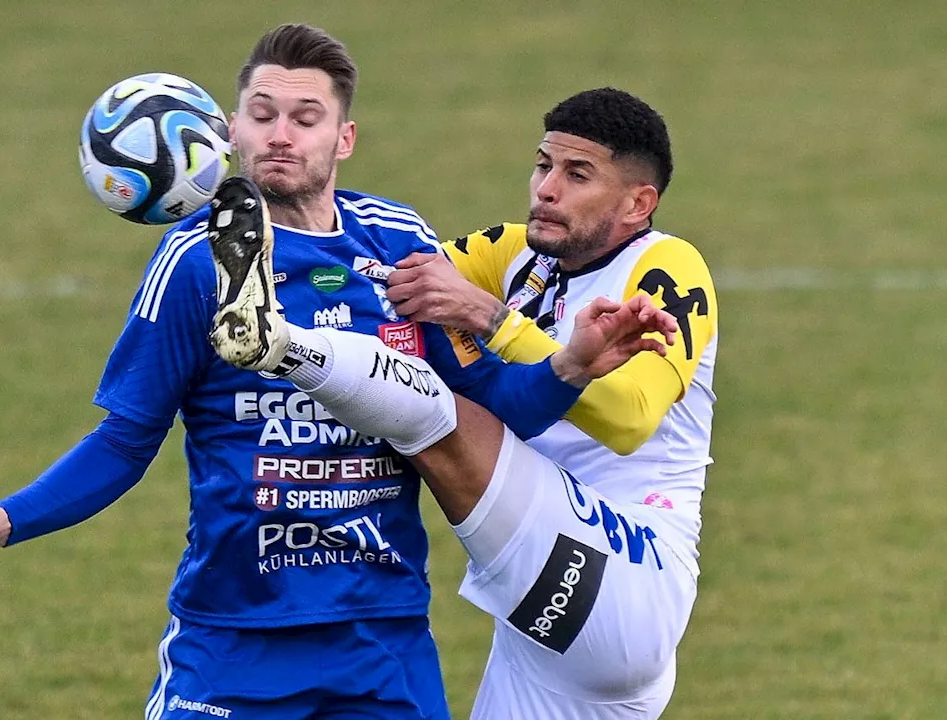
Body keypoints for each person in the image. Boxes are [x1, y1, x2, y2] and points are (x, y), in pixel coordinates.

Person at [0, 26, 659, 720]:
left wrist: (568, 366)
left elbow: (490, 411)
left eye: (305, 118)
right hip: (234, 638)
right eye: (261, 114)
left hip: (380, 640)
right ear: (230, 132)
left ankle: (276, 342)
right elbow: (126, 440)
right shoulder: (192, 262)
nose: (279, 134)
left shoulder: (400, 244)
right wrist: (7, 521)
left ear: (345, 138)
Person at [208, 88, 717, 719]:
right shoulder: (515, 253)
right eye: (543, 165)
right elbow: (377, 273)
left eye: (576, 174)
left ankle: (280, 347)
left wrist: (495, 320)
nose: (546, 188)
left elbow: (632, 415)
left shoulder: (668, 265)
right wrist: (250, 237)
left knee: (436, 411)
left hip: (627, 579)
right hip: (538, 627)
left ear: (639, 203)